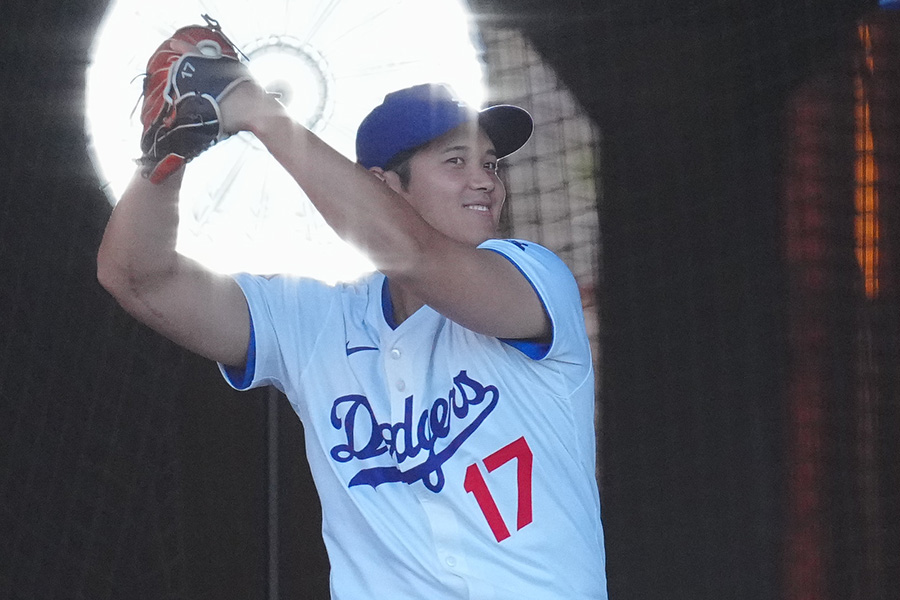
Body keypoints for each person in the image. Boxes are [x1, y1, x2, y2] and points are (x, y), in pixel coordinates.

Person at [98, 80, 608, 599]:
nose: (486, 183)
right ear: (384, 187)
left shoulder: (534, 277)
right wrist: (165, 154)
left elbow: (415, 255)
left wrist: (262, 115)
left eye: (492, 164)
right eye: (456, 162)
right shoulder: (317, 321)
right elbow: (139, 278)